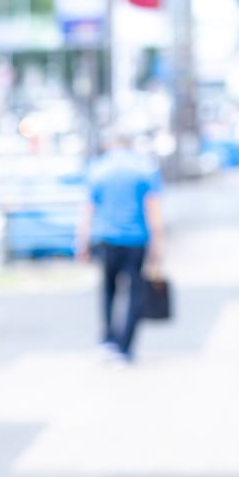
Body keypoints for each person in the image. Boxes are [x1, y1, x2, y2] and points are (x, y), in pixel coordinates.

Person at [76, 127, 166, 363]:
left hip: (106, 239)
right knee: (135, 292)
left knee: (108, 290)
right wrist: (158, 245)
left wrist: (82, 242)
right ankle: (126, 347)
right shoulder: (145, 169)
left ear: (109, 144)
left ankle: (108, 340)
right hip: (137, 240)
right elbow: (154, 212)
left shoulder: (97, 169)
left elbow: (88, 211)